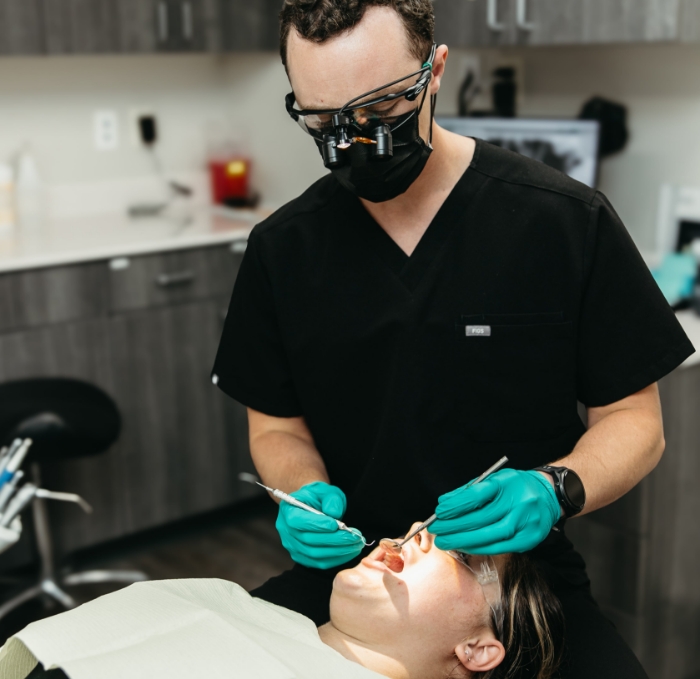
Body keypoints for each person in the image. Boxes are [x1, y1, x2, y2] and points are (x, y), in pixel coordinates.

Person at [211, 0, 695, 677]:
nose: (354, 142)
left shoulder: (561, 223)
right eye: (324, 120)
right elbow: (275, 428)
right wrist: (302, 489)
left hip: (517, 585)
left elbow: (637, 422)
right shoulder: (282, 251)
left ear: (435, 71)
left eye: (378, 114)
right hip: (358, 573)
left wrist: (556, 487)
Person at [0, 528, 564, 679]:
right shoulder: (221, 601)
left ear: (478, 648)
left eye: (462, 557)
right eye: (421, 527)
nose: (415, 534)